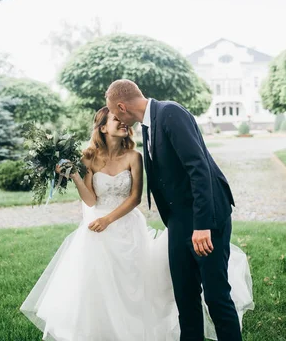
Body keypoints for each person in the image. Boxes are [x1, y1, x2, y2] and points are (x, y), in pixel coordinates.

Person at [20, 105, 253, 341]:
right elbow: (90, 199)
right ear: (102, 128)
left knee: (136, 284)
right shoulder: (88, 157)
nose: (123, 123)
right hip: (98, 230)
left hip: (126, 226)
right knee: (100, 287)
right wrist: (76, 176)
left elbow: (134, 197)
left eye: (122, 119)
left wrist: (108, 219)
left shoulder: (134, 157)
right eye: (115, 120)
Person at [105, 79, 245, 341]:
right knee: (184, 295)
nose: (116, 118)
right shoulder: (147, 125)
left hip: (207, 215)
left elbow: (199, 168)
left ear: (121, 106)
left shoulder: (170, 113)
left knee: (216, 296)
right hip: (179, 220)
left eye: (113, 112)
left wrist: (202, 225)